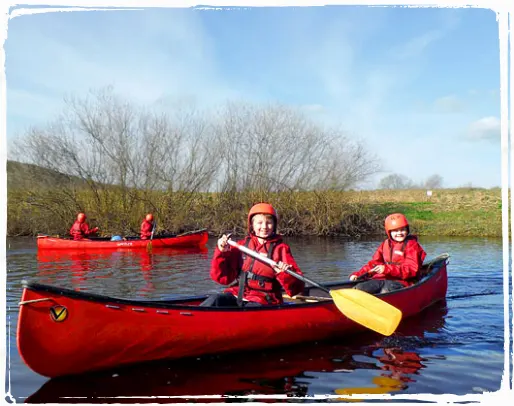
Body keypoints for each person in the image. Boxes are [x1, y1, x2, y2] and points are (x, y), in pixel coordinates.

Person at [201, 203, 305, 307]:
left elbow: (297, 289)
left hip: (265, 299)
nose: (264, 227)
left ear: (274, 225)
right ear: (252, 225)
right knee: (215, 300)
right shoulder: (241, 246)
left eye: (269, 223)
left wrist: (284, 274)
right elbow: (222, 278)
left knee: (252, 307)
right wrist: (221, 252)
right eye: (259, 222)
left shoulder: (281, 249)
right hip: (239, 293)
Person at [348, 213, 426, 294]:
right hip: (381, 279)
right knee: (360, 288)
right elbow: (374, 264)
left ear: (407, 230)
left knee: (386, 289)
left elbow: (411, 270)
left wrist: (386, 269)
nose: (399, 233)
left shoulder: (412, 245)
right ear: (389, 232)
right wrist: (357, 274)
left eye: (403, 229)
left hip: (402, 282)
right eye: (395, 231)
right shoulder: (385, 244)